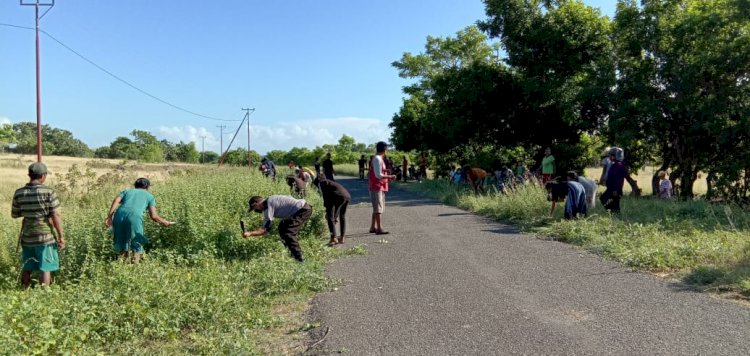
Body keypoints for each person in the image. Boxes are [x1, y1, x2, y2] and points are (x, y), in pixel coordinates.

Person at [11, 162, 65, 288]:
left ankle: (24, 289)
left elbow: (15, 214)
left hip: (27, 236)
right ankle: (44, 294)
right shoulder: (48, 192)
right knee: (46, 267)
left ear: (29, 175)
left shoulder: (19, 192)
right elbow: (55, 215)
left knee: (27, 265)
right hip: (45, 237)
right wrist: (61, 236)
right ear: (43, 176)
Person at [106, 178, 173, 263]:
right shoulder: (149, 196)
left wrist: (109, 217)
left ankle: (121, 264)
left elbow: (116, 200)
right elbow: (154, 216)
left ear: (135, 185)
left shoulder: (127, 191)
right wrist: (165, 222)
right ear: (147, 187)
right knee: (137, 243)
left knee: (122, 242)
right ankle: (135, 265)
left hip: (119, 215)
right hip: (134, 216)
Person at [244, 195, 312, 262]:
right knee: (282, 227)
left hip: (302, 210)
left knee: (289, 233)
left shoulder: (268, 206)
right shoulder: (270, 200)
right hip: (301, 208)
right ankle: (291, 253)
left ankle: (300, 259)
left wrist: (250, 233)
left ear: (256, 204)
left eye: (255, 208)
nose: (256, 210)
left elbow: (265, 230)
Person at [369, 141, 397, 235]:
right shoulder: (377, 158)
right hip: (376, 186)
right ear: (385, 149)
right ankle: (379, 228)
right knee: (378, 207)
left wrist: (386, 171)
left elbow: (378, 171)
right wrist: (390, 176)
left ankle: (373, 227)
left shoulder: (378, 158)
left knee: (377, 207)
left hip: (379, 185)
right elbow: (378, 175)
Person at [314, 177, 351, 246]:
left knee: (330, 217)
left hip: (338, 196)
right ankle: (342, 237)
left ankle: (333, 238)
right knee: (342, 216)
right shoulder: (328, 182)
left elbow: (326, 197)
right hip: (346, 196)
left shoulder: (321, 183)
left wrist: (328, 212)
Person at [600, 149, 629, 213]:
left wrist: (615, 189)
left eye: (610, 155)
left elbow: (617, 178)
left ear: (614, 156)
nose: (609, 157)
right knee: (615, 203)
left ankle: (611, 212)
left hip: (614, 189)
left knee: (603, 199)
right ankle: (614, 213)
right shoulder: (618, 164)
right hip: (613, 188)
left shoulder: (617, 165)